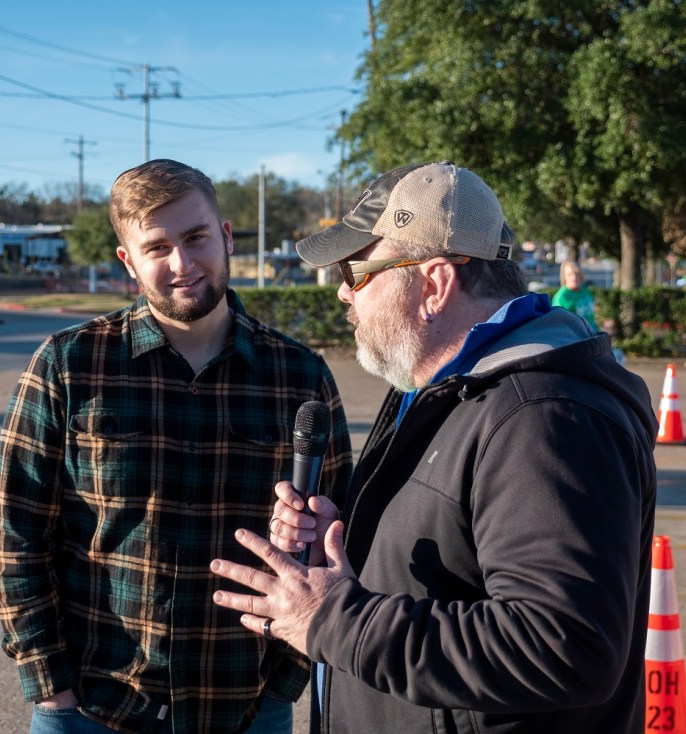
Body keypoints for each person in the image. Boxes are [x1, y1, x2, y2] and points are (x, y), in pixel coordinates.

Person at [209, 161, 658, 732]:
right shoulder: (442, 386)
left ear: (435, 283)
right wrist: (347, 549)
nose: (344, 294)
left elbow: (565, 646)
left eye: (357, 272)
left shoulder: (542, 416)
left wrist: (334, 619)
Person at [0, 159, 353, 734]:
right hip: (91, 707)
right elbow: (17, 535)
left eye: (196, 237)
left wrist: (283, 682)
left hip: (246, 708)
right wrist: (50, 686)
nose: (182, 264)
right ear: (128, 262)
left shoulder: (298, 376)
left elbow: (337, 535)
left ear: (226, 235)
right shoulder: (67, 365)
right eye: (157, 247)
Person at [552, 260, 599, 332]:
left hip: (592, 333)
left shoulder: (585, 291)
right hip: (576, 338)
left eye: (577, 274)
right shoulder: (561, 297)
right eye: (570, 274)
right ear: (564, 277)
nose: (574, 277)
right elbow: (558, 324)